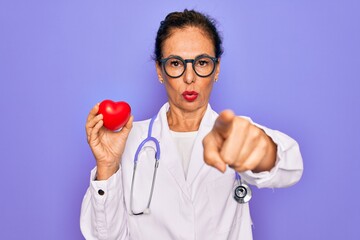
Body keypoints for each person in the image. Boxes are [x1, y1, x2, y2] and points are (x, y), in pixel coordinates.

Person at [80, 9, 303, 240]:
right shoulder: (129, 141)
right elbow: (104, 237)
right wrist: (107, 166)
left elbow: (290, 167)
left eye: (202, 62)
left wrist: (263, 153)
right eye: (176, 63)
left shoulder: (235, 132)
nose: (189, 77)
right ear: (159, 70)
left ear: (216, 69)